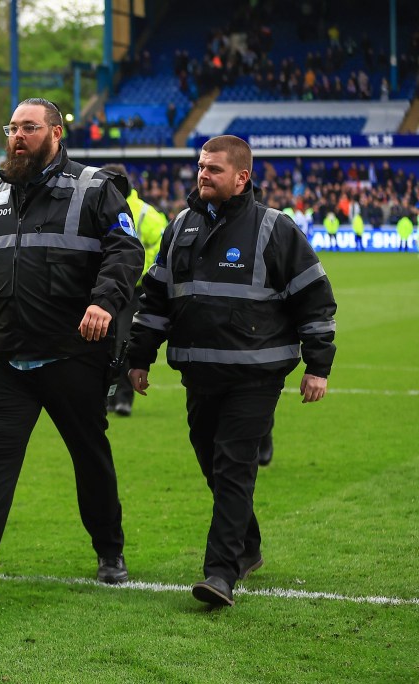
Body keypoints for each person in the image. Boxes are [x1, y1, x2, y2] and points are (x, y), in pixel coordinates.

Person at [0, 97, 144, 599]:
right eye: (12, 128)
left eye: (29, 128)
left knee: (89, 456)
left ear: (56, 134)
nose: (17, 136)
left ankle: (110, 550)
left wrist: (105, 302)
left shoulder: (95, 188)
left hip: (73, 353)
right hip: (5, 355)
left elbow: (127, 250)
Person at [127, 135, 337, 607]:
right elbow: (157, 297)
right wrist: (139, 356)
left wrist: (317, 365)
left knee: (234, 468)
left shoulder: (275, 229)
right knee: (216, 469)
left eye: (214, 169)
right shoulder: (179, 225)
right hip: (199, 375)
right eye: (200, 167)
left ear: (242, 177)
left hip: (255, 376)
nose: (203, 175)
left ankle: (220, 573)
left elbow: (315, 298)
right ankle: (249, 547)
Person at [101, 164, 167, 417]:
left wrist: (132, 270)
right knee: (104, 343)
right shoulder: (99, 205)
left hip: (132, 290)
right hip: (107, 287)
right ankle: (106, 396)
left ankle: (122, 398)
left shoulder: (145, 214)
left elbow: (161, 249)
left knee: (124, 342)